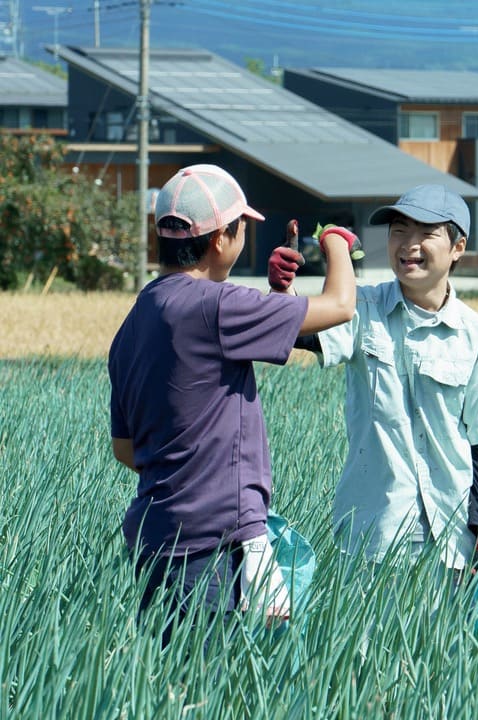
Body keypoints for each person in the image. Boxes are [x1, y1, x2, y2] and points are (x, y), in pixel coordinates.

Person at [108, 164, 356, 642]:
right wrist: (337, 245)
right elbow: (341, 306)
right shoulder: (216, 306)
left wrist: (277, 298)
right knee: (209, 686)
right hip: (212, 545)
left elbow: (125, 449)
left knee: (167, 683)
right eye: (242, 227)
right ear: (220, 239)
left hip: (156, 537)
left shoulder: (139, 316)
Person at [267, 184, 478, 582]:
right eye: (399, 231)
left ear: (458, 246)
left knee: (443, 646)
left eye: (427, 233)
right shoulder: (360, 308)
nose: (410, 245)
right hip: (371, 538)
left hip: (450, 546)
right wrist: (282, 293)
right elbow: (297, 335)